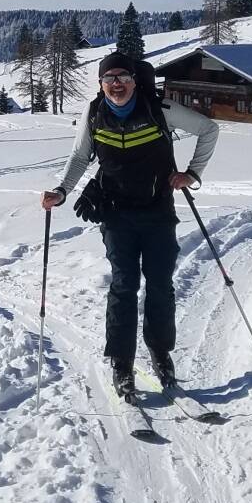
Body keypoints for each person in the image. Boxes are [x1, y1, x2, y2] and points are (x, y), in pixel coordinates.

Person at [41, 51, 218, 398]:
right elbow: (80, 156)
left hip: (157, 212)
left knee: (160, 285)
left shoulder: (160, 109)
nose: (117, 84)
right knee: (124, 286)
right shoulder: (93, 113)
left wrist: (192, 173)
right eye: (110, 78)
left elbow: (209, 129)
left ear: (135, 80)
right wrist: (62, 190)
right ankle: (121, 362)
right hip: (116, 213)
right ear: (101, 83)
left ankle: (160, 353)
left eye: (123, 77)